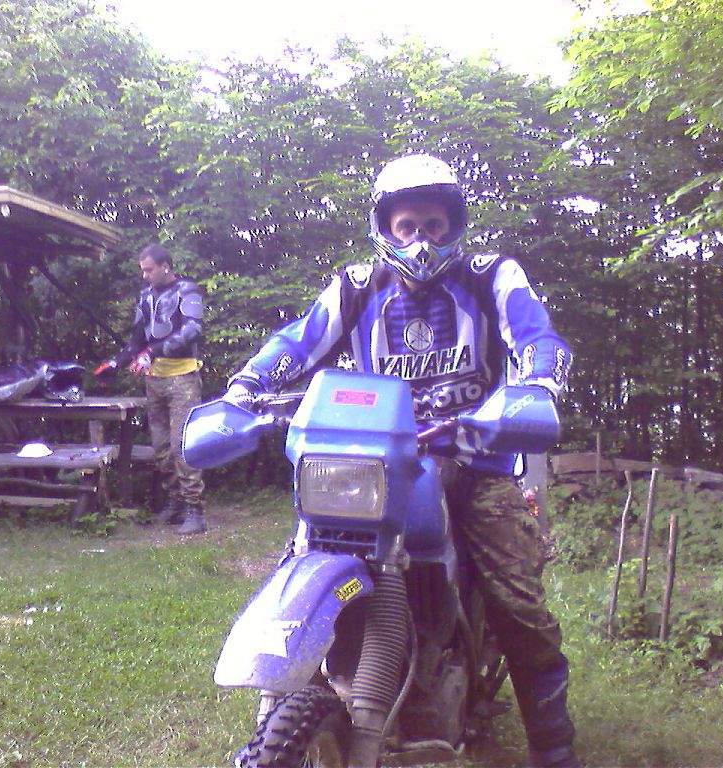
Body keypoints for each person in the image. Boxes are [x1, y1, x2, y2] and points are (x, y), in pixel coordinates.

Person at [223, 154, 579, 767]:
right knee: (304, 556)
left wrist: (540, 385)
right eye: (408, 225)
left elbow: (536, 337)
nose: (421, 239)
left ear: (454, 225)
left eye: (434, 225)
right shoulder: (357, 287)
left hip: (476, 462)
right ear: (385, 227)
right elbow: (298, 340)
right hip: (375, 464)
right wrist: (243, 390)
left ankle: (555, 748)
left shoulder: (491, 276)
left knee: (518, 605)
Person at [99, 244, 206, 535]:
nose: (144, 275)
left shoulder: (187, 290)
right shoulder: (145, 296)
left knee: (182, 446)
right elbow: (136, 341)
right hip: (154, 379)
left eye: (149, 270)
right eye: (142, 270)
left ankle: (194, 509)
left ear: (164, 267)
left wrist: (153, 352)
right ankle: (175, 501)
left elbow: (193, 330)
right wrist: (114, 364)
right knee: (161, 448)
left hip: (183, 377)